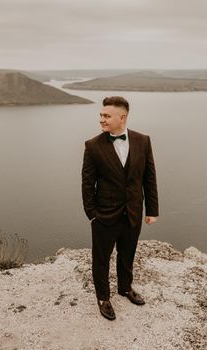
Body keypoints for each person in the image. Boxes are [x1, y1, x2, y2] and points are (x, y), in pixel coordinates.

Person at [81, 96, 159, 321]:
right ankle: (103, 297)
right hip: (104, 215)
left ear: (121, 117)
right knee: (101, 259)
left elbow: (149, 178)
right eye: (101, 115)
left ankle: (125, 288)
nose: (101, 120)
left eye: (106, 116)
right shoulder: (93, 146)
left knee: (128, 254)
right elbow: (87, 183)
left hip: (133, 212)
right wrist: (92, 214)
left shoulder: (143, 141)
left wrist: (151, 210)